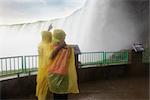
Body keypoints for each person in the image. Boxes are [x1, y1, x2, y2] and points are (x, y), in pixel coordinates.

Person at [47, 29, 79, 100]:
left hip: (59, 74)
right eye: (63, 37)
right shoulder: (52, 46)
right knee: (60, 95)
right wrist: (61, 46)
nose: (64, 39)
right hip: (60, 74)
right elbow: (50, 56)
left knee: (61, 95)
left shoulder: (66, 48)